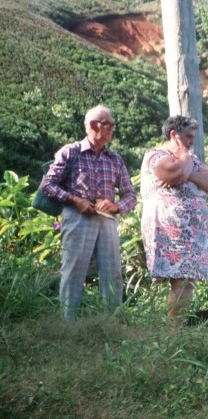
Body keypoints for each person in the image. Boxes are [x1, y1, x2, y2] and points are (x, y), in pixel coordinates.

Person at [40, 104, 137, 321]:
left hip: (107, 221)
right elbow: (48, 185)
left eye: (112, 124)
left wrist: (117, 207)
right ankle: (68, 325)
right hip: (77, 217)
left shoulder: (115, 159)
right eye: (108, 124)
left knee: (112, 274)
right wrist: (75, 200)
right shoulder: (70, 152)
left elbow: (131, 195)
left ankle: (109, 323)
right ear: (93, 125)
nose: (112, 128)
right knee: (73, 272)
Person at [140, 115, 208, 324]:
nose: (192, 142)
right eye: (188, 137)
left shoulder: (190, 160)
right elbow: (174, 174)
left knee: (186, 281)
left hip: (190, 233)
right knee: (181, 280)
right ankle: (174, 331)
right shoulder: (156, 156)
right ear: (174, 135)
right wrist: (185, 164)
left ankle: (177, 328)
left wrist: (189, 173)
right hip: (170, 230)